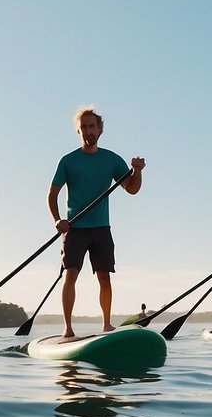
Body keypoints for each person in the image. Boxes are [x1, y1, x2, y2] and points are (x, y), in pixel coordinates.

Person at [48, 106, 145, 341]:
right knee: (70, 274)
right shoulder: (68, 161)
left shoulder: (112, 160)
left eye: (92, 127)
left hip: (101, 228)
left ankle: (106, 325)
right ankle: (68, 328)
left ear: (100, 129)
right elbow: (52, 195)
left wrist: (137, 171)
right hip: (74, 228)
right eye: (83, 128)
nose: (88, 131)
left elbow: (131, 189)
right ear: (78, 132)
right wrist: (58, 220)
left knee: (104, 276)